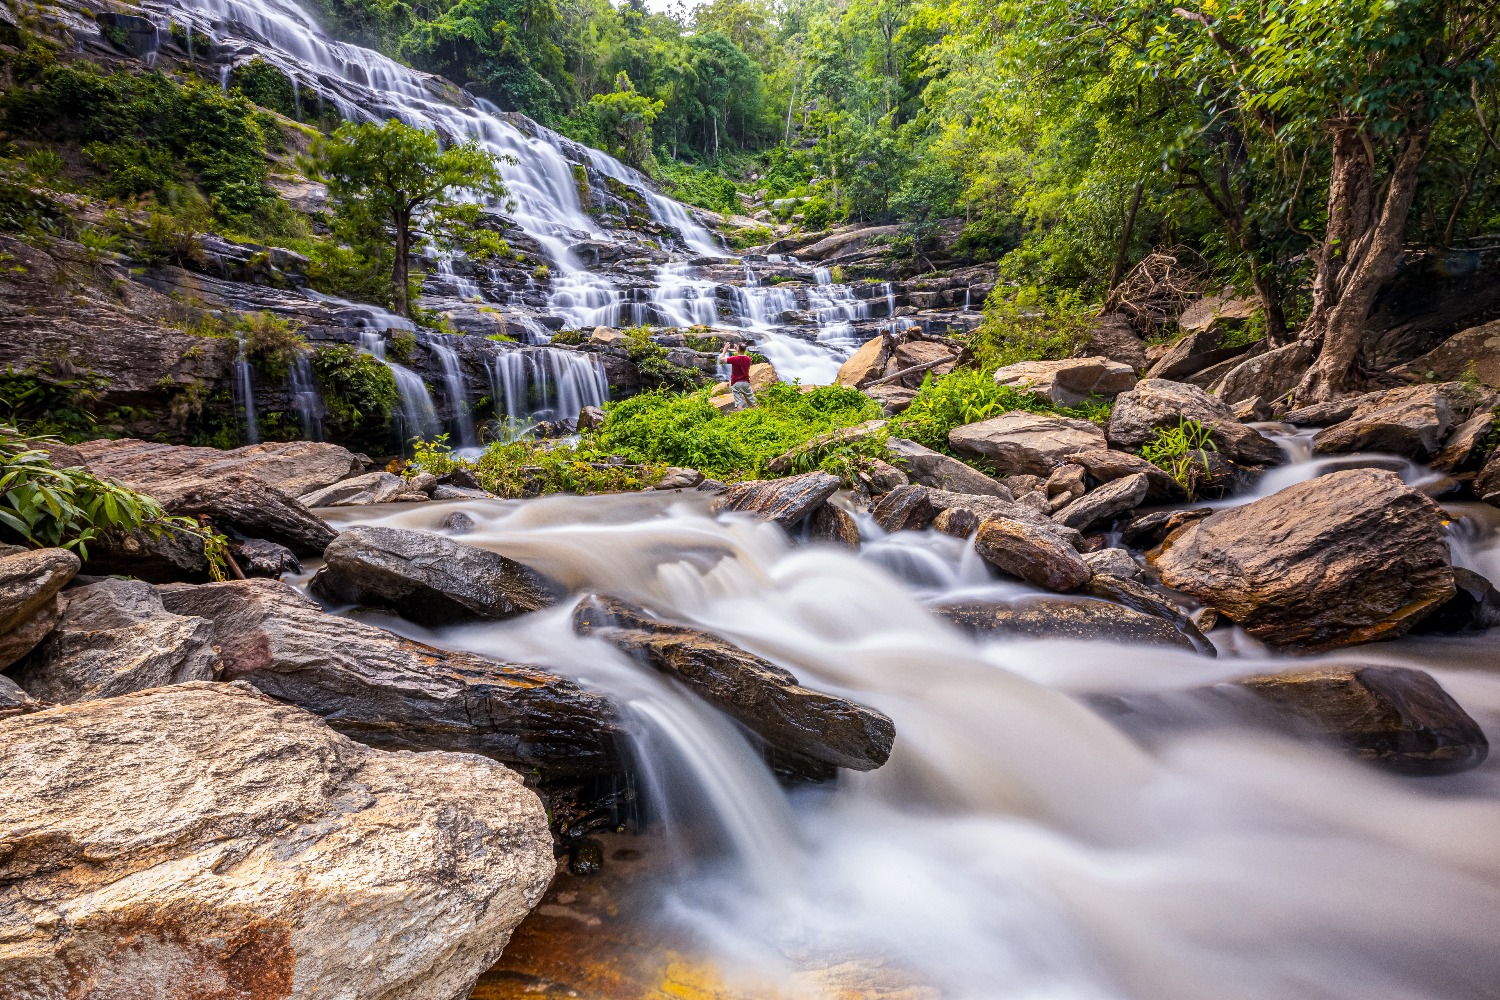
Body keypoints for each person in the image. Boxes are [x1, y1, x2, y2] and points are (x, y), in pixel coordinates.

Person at [719, 342, 757, 410]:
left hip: (736, 383)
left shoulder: (734, 359)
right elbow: (742, 357)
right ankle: (758, 415)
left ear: (738, 349)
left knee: (738, 403)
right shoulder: (748, 359)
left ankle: (742, 416)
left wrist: (725, 349)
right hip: (746, 383)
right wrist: (738, 350)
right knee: (753, 403)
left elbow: (721, 360)